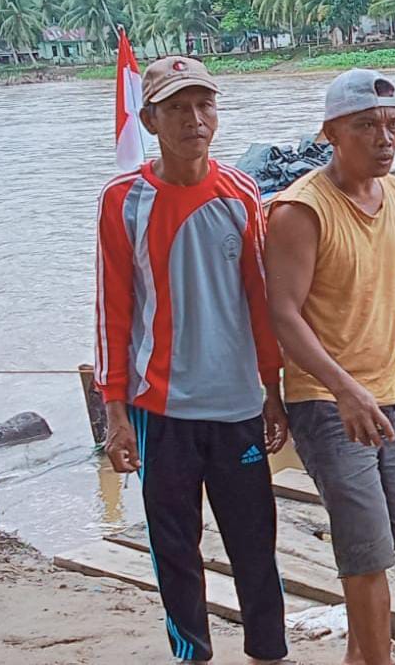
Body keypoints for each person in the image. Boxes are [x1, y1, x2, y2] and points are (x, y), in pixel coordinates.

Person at [95, 55, 289, 665]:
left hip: (237, 404)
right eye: (177, 108)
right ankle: (192, 653)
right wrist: (115, 413)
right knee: (175, 546)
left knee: (255, 542)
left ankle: (268, 651)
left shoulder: (241, 192)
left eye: (204, 105)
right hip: (163, 409)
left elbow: (261, 299)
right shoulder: (123, 201)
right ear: (150, 120)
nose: (194, 120)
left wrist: (273, 389)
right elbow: (113, 310)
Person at [265, 68, 395, 665]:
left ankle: (357, 658)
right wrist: (343, 390)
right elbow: (283, 314)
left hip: (388, 392)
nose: (384, 138)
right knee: (367, 557)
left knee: (378, 545)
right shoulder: (301, 211)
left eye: (392, 124)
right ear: (331, 135)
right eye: (366, 125)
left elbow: (393, 282)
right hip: (327, 401)